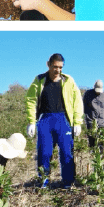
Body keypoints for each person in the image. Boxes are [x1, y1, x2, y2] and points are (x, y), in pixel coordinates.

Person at [25, 53, 83, 189]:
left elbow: (77, 101)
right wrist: (31, 121)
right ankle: (43, 182)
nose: (58, 70)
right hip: (45, 119)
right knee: (44, 152)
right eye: (55, 66)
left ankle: (68, 183)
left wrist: (78, 122)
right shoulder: (39, 80)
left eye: (60, 67)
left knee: (66, 152)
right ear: (48, 64)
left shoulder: (68, 80)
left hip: (63, 120)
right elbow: (31, 101)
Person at [82, 79, 104, 149]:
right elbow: (84, 107)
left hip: (102, 123)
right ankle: (92, 156)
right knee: (92, 143)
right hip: (91, 122)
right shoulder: (87, 94)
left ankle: (100, 157)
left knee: (101, 143)